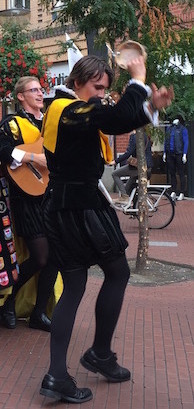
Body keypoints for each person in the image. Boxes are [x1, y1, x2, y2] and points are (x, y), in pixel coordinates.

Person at [39, 55, 173, 403]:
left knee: (76, 286)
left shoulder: (67, 109)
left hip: (64, 205)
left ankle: (60, 374)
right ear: (80, 80)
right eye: (98, 87)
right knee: (116, 273)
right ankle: (96, 354)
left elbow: (113, 119)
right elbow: (112, 119)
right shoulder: (66, 108)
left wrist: (148, 107)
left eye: (105, 88)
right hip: (80, 205)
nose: (101, 93)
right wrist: (139, 79)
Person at [0, 76, 57, 332]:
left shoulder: (50, 121)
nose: (40, 93)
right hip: (25, 198)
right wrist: (32, 157)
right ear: (21, 96)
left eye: (41, 89)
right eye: (34, 90)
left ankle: (39, 312)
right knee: (40, 257)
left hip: (51, 196)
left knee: (55, 257)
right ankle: (7, 301)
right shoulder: (12, 123)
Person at [111, 130, 152, 201]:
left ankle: (124, 197)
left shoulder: (135, 136)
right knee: (130, 182)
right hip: (147, 167)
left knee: (115, 174)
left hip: (139, 167)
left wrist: (115, 161)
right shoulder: (144, 135)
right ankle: (130, 202)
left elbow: (128, 153)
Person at [163, 117, 188, 201]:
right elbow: (165, 141)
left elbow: (186, 142)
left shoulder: (183, 129)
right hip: (170, 153)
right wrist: (164, 153)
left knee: (181, 173)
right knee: (172, 173)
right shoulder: (169, 129)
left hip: (179, 153)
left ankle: (182, 192)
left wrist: (184, 154)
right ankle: (173, 190)